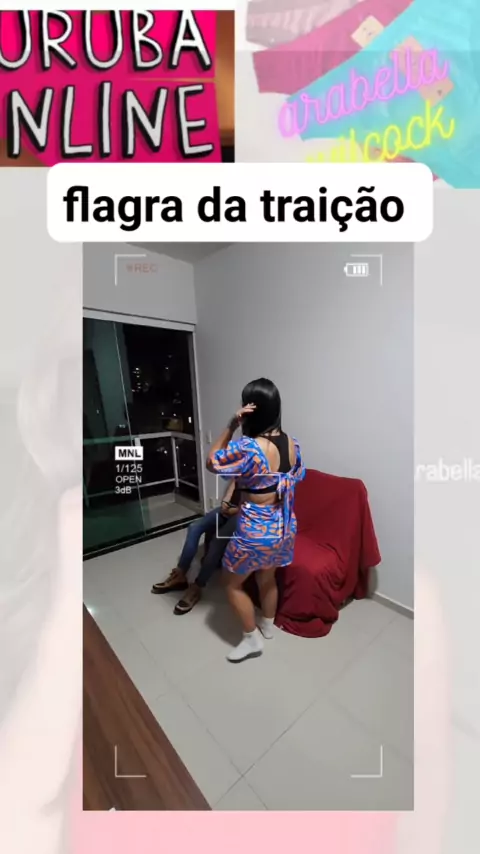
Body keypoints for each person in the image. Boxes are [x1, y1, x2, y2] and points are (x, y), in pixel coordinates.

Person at [206, 378, 305, 662]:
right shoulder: (292, 444)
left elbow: (212, 462)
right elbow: (298, 475)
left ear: (251, 410)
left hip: (256, 531)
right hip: (283, 526)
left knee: (231, 583)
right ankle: (268, 626)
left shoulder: (250, 447)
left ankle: (251, 639)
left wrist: (230, 425)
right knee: (267, 576)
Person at [151, 481, 239, 614]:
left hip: (244, 514)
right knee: (194, 527)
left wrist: (235, 510)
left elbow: (261, 503)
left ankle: (197, 586)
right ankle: (180, 574)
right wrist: (225, 502)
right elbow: (234, 482)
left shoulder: (266, 474)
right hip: (229, 508)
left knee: (217, 542)